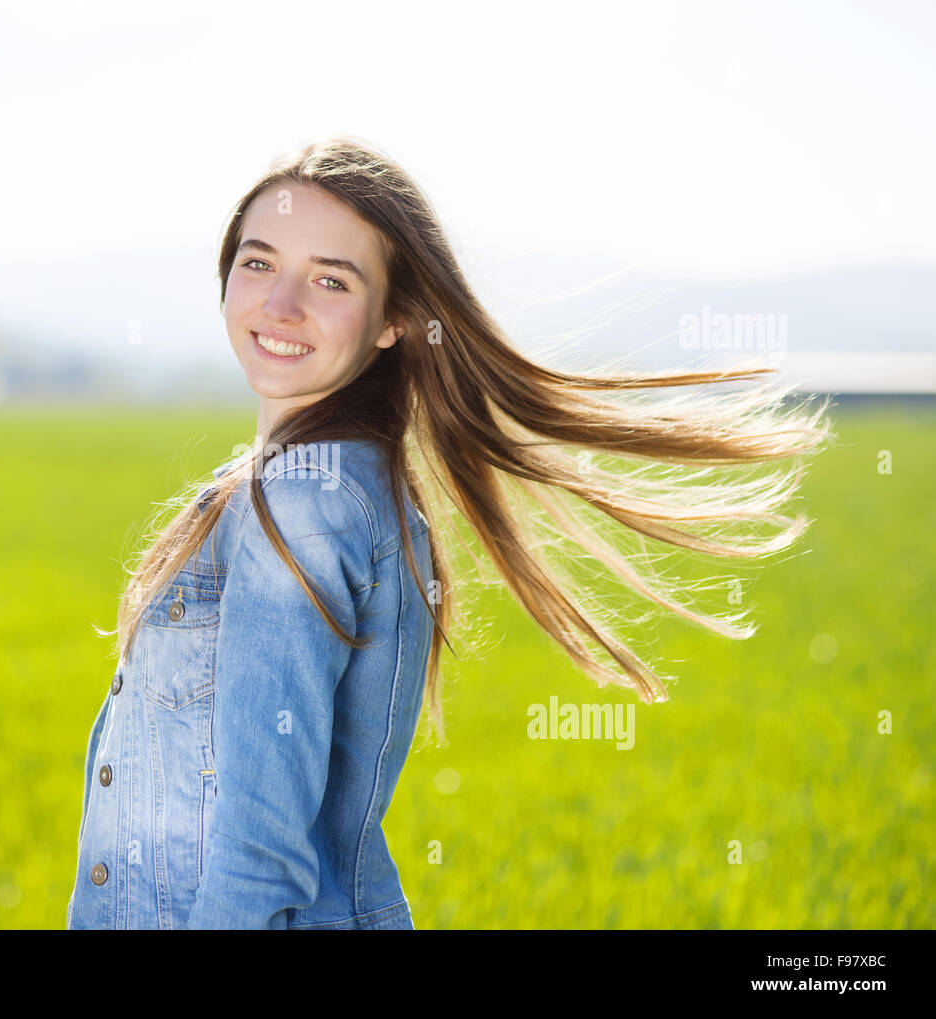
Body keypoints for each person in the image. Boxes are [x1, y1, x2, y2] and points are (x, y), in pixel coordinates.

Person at [66, 136, 834, 930]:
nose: (281, 304)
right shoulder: (340, 485)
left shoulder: (301, 504)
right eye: (259, 262)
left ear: (394, 319)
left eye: (330, 279)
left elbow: (258, 856)